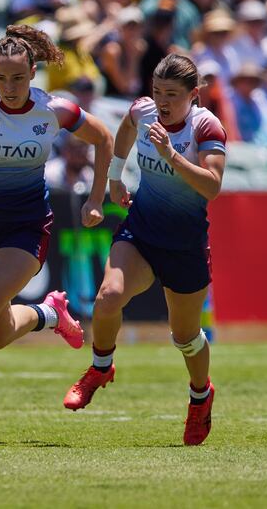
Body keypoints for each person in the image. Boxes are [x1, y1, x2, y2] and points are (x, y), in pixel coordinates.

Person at [0, 25, 115, 435]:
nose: (9, 87)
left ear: (34, 73)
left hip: (27, 225)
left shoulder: (55, 111)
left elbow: (104, 138)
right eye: (1, 77)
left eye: (18, 78)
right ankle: (50, 313)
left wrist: (98, 198)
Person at [63, 54, 226, 446]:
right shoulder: (144, 111)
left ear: (193, 95)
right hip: (141, 230)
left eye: (172, 93)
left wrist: (171, 155)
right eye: (157, 91)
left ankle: (200, 395)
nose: (163, 100)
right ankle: (101, 366)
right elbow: (125, 127)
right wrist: (116, 177)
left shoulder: (204, 125)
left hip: (185, 245)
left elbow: (212, 186)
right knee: (108, 297)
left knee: (185, 337)